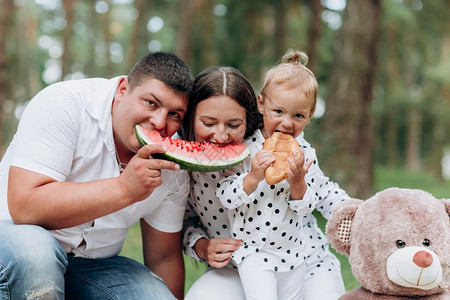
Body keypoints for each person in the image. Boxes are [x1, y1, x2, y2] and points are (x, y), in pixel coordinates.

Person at [0, 52, 194, 300]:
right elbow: (24, 207)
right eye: (151, 103)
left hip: (94, 267)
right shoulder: (64, 104)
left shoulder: (172, 162)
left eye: (175, 114)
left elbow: (163, 257)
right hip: (14, 248)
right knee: (36, 253)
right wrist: (124, 189)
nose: (159, 122)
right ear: (123, 89)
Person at [182, 52, 349, 300]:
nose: (220, 135)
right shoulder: (191, 163)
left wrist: (356, 215)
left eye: (232, 124)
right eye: (208, 122)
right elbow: (184, 223)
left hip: (303, 258)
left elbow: (322, 194)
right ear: (263, 106)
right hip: (243, 264)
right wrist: (201, 246)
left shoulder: (298, 151)